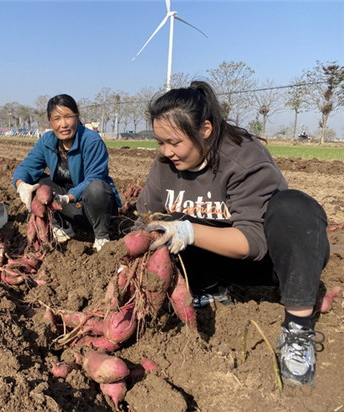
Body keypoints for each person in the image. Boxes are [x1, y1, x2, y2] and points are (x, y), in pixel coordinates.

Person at [136, 81, 329, 387]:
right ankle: (210, 288)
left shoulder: (243, 159)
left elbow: (252, 243)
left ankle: (297, 329)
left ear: (206, 129)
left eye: (174, 142)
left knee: (296, 207)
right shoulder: (165, 165)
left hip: (266, 264)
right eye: (160, 142)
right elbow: (145, 219)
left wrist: (187, 231)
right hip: (217, 263)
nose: (166, 151)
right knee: (169, 221)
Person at [12, 94, 121, 251]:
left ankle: (102, 237)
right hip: (68, 208)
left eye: (68, 117)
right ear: (50, 122)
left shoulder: (91, 141)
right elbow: (26, 168)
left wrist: (68, 198)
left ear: (77, 117)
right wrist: (21, 185)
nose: (63, 124)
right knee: (40, 183)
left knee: (97, 187)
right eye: (57, 119)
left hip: (96, 208)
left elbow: (94, 177)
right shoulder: (47, 142)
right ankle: (63, 227)